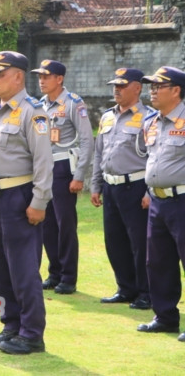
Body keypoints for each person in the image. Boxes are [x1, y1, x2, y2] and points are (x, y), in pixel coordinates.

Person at [0, 51, 52, 355]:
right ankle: (11, 325)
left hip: (16, 197)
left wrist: (39, 201)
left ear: (18, 76)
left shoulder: (33, 112)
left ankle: (31, 333)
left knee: (22, 267)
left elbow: (43, 161)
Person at [90, 68, 152, 309]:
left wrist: (148, 191)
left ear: (137, 88)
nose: (117, 89)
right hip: (110, 186)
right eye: (115, 85)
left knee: (139, 242)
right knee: (114, 241)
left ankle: (146, 292)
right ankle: (125, 288)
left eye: (122, 85)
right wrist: (95, 184)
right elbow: (99, 153)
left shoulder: (149, 118)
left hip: (135, 186)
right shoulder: (107, 116)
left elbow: (155, 157)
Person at [31, 59, 94, 295]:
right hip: (43, 169)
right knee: (46, 224)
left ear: (59, 79)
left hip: (63, 168)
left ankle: (68, 277)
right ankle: (54, 272)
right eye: (40, 76)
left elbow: (87, 140)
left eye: (46, 76)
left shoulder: (73, 103)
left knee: (64, 224)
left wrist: (79, 175)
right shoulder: (40, 105)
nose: (42, 80)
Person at [137, 66, 185, 342]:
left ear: (176, 90)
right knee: (158, 262)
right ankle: (165, 317)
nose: (152, 91)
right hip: (157, 201)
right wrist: (149, 190)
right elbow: (153, 160)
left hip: (182, 200)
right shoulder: (151, 122)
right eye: (151, 86)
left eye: (158, 86)